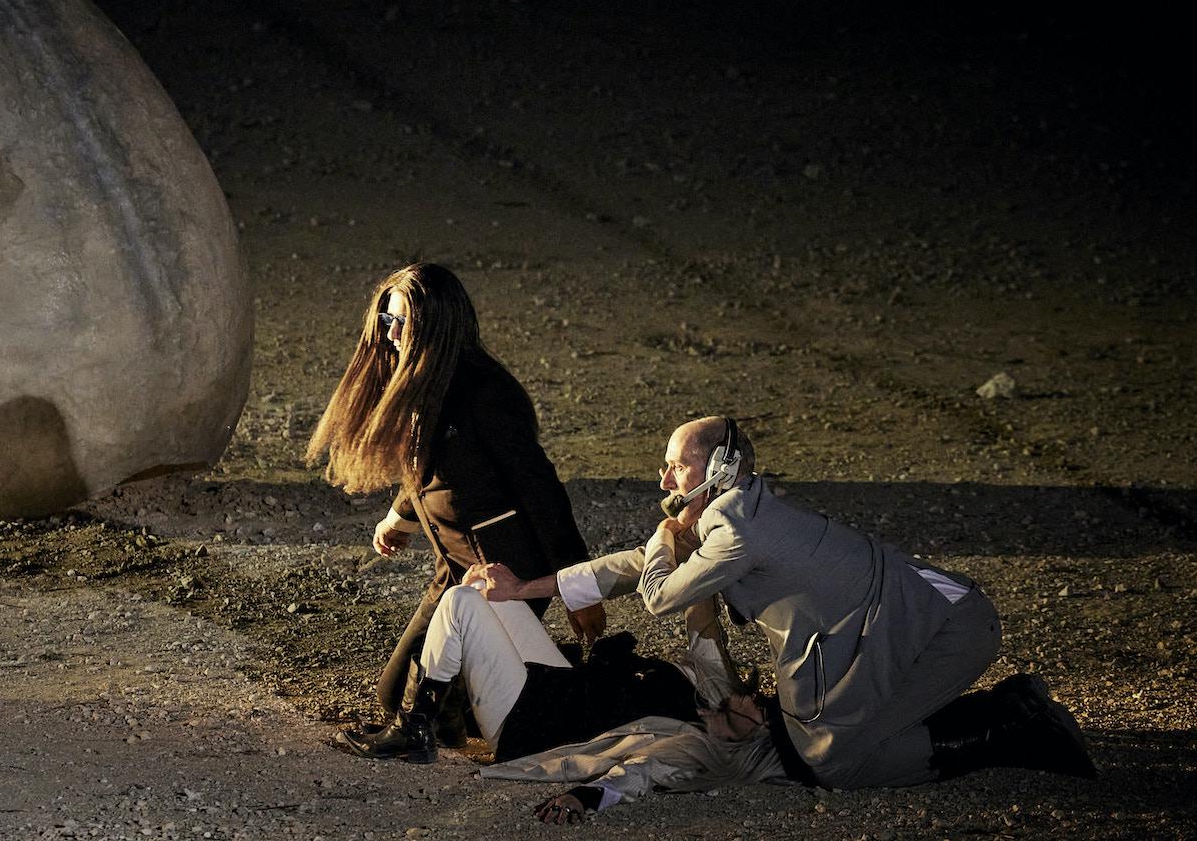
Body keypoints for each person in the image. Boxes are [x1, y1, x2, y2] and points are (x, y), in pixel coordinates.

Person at [478, 416, 1097, 789]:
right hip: (911, 620)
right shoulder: (735, 511)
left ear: (719, 466)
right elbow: (636, 566)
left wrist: (667, 538)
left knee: (836, 761)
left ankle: (1011, 728)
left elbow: (660, 594)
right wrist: (525, 589)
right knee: (836, 742)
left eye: (675, 466)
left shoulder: (737, 530)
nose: (664, 481)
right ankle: (1008, 713)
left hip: (945, 629)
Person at [306, 263, 604, 743]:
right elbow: (428, 470)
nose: (391, 334)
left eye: (403, 321)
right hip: (454, 567)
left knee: (459, 712)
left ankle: (568, 685)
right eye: (387, 320)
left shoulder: (486, 393)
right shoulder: (424, 384)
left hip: (505, 573)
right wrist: (397, 517)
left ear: (438, 325)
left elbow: (541, 488)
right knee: (394, 697)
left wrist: (576, 588)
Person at [334, 564, 785, 822]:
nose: (753, 697)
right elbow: (701, 619)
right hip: (556, 680)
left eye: (761, 708)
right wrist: (702, 550)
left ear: (755, 734)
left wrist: (585, 797)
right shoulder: (711, 688)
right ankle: (445, 720)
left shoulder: (690, 744)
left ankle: (415, 730)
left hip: (529, 722)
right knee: (483, 588)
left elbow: (640, 773)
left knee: (459, 603)